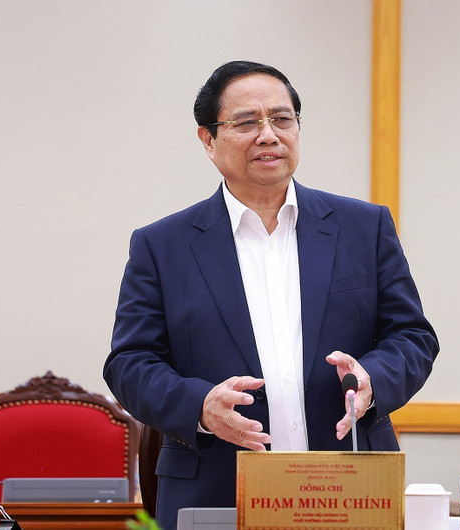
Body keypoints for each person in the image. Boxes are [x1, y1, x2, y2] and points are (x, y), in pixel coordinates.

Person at [103, 60, 439, 529]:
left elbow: (412, 336)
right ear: (207, 139)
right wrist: (199, 405)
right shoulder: (163, 245)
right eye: (246, 123)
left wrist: (372, 380)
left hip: (350, 490)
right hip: (215, 488)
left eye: (282, 119)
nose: (268, 135)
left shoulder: (364, 227)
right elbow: (130, 363)